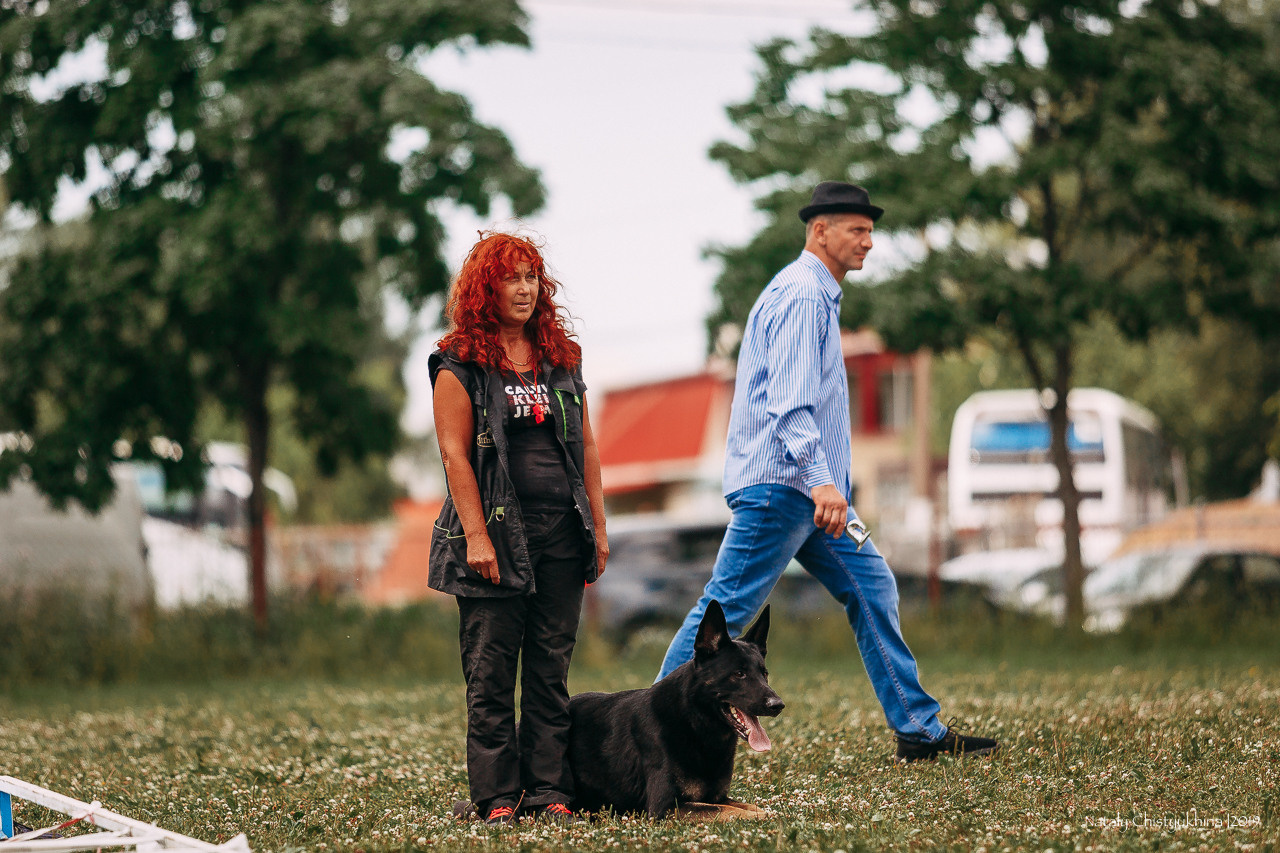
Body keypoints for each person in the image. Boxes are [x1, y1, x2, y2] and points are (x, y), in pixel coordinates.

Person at [656, 182, 999, 763]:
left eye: (871, 230)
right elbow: (790, 403)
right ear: (820, 231)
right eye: (857, 229)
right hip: (785, 489)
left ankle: (917, 729)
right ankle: (655, 731)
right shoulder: (800, 296)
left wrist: (825, 486)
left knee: (873, 584)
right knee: (723, 611)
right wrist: (820, 479)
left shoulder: (819, 296)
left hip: (818, 498)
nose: (870, 241)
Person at [430, 232, 608, 824]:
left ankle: (548, 790)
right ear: (487, 287)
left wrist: (599, 530)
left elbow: (586, 447)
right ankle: (498, 797)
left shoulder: (562, 357)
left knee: (550, 668)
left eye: (532, 276)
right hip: (497, 540)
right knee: (490, 671)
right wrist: (477, 537)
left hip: (561, 532)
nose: (526, 288)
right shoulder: (460, 363)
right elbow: (456, 455)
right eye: (513, 277)